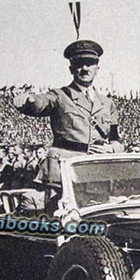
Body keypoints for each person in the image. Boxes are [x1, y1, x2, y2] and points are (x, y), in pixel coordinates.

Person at [13, 40, 123, 186]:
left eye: (89, 63)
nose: (85, 68)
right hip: (64, 171)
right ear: (71, 69)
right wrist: (29, 100)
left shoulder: (107, 103)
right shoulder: (60, 96)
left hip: (96, 171)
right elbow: (41, 103)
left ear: (97, 69)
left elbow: (116, 139)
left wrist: (111, 148)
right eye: (79, 64)